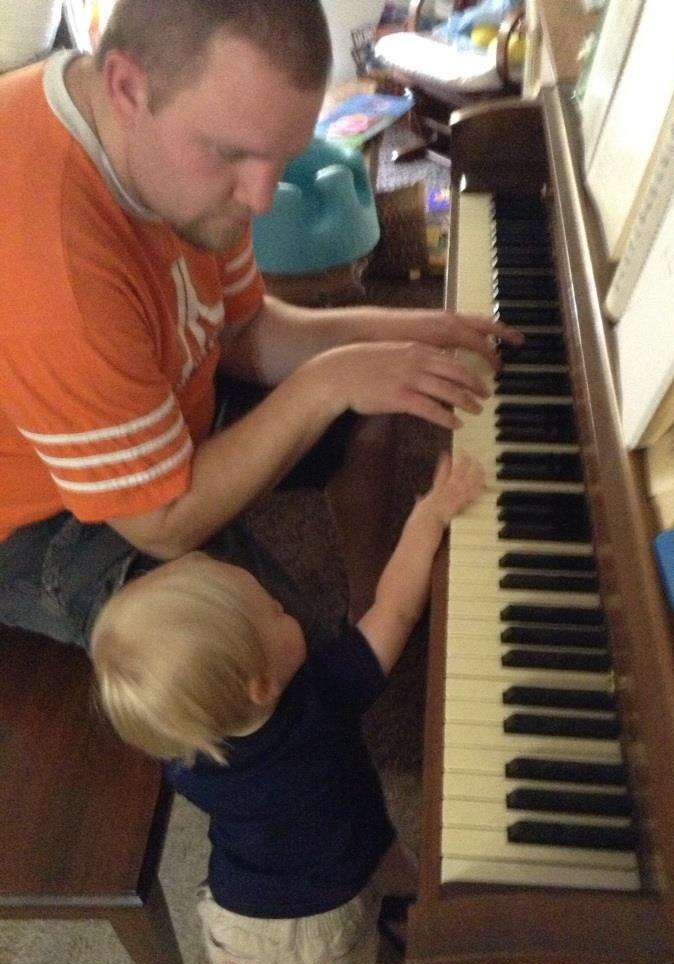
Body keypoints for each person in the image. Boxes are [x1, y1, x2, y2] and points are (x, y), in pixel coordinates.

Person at [0, 0, 520, 650]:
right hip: (47, 518)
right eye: (232, 155)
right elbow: (163, 522)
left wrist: (403, 330)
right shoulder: (45, 259)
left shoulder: (190, 166)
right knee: (276, 664)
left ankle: (370, 600)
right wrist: (326, 381)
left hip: (164, 421)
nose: (263, 197)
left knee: (374, 396)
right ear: (127, 89)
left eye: (282, 156)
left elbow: (243, 331)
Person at [91, 449, 485, 964]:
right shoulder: (323, 699)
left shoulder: (184, 751)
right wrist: (428, 517)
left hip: (234, 923)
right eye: (275, 611)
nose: (285, 608)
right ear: (261, 685)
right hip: (323, 922)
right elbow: (395, 611)